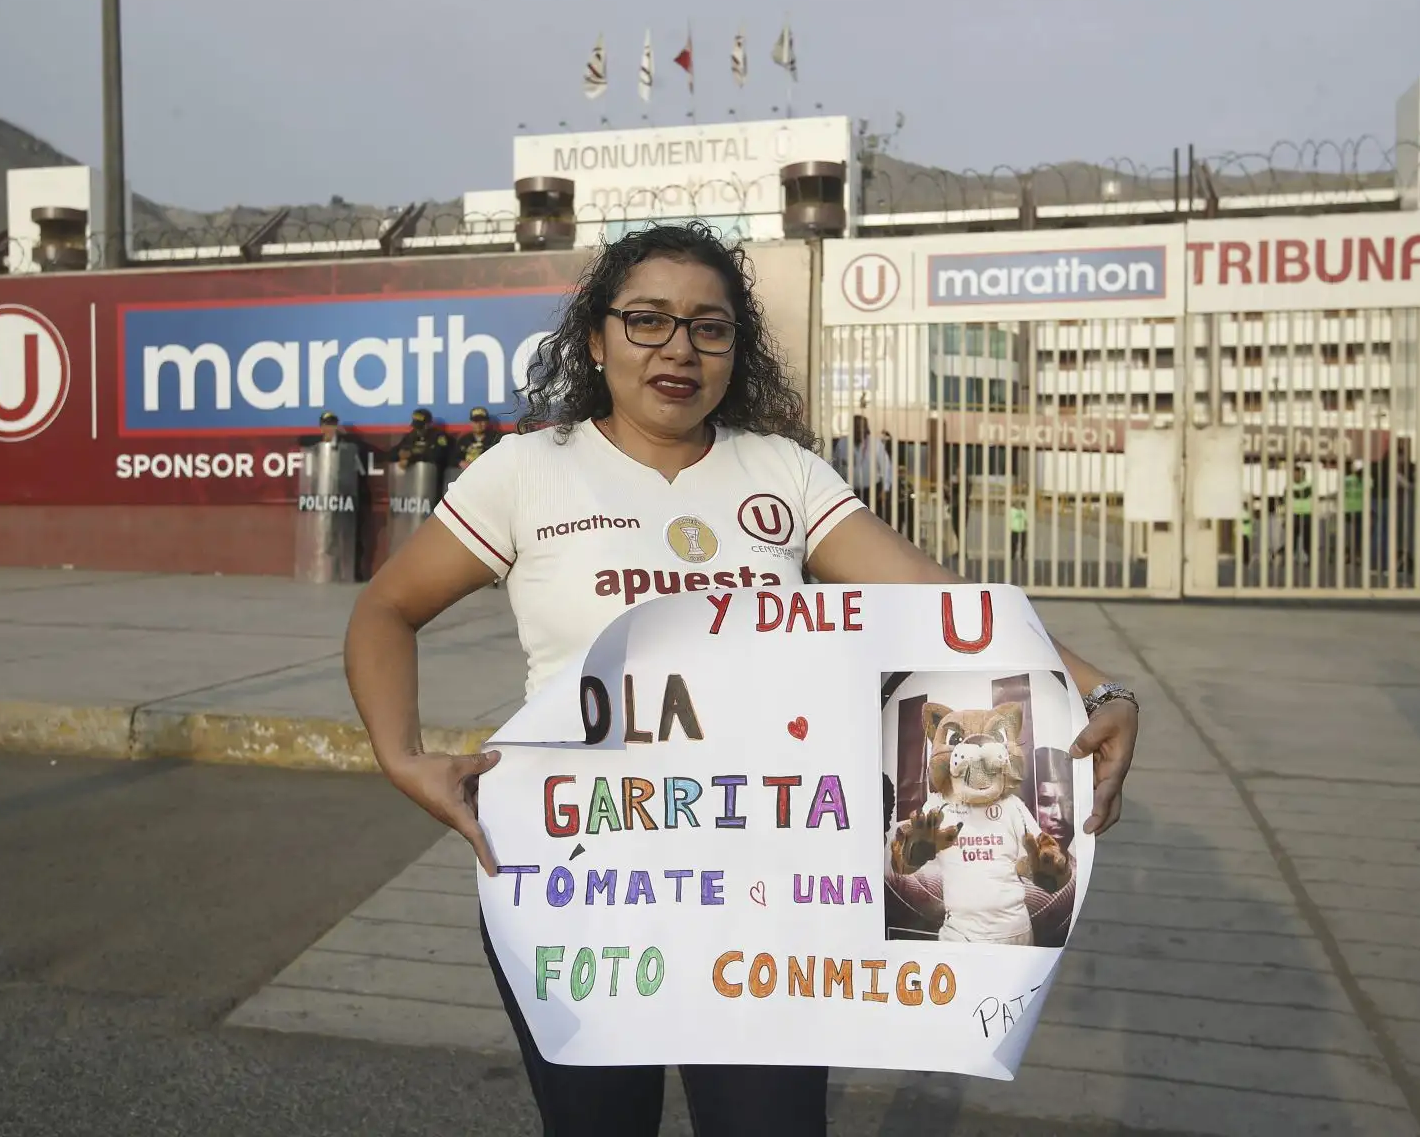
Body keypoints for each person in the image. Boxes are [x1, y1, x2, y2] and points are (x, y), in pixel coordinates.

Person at [341, 222, 1140, 1137]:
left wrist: (1098, 688)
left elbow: (933, 598)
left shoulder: (784, 474)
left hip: (761, 888)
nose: (678, 347)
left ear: (735, 349)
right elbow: (384, 611)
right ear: (596, 339)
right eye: (647, 321)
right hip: (580, 888)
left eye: (707, 327)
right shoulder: (526, 473)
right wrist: (401, 757)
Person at [296, 411, 375, 579]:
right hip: (324, 495)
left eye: (332, 424)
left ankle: (349, 571)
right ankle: (322, 569)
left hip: (346, 495)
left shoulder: (348, 443)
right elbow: (302, 440)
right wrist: (322, 442)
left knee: (348, 534)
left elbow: (360, 446)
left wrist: (336, 441)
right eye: (326, 425)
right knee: (326, 533)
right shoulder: (317, 443)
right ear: (321, 427)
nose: (329, 428)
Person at [450, 406, 500, 473]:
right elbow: (452, 458)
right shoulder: (463, 439)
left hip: (488, 473)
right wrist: (460, 462)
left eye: (482, 420)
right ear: (471, 423)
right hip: (466, 474)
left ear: (487, 422)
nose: (479, 424)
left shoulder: (496, 438)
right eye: (476, 421)